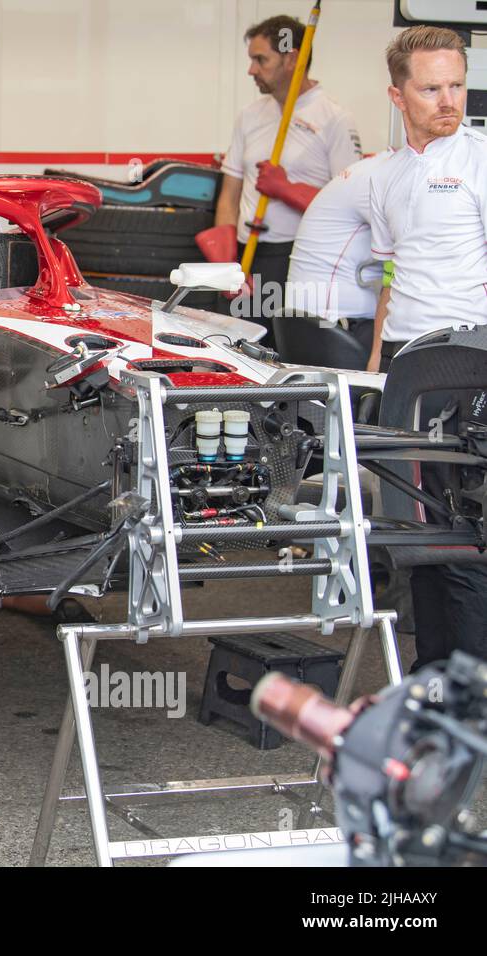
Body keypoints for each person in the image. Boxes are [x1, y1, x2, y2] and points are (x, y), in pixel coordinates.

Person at [365, 25, 487, 670]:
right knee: (414, 531)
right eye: (431, 87)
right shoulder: (382, 176)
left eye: (457, 85)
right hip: (407, 365)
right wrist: (378, 365)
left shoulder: (480, 161)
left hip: (468, 360)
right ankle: (435, 678)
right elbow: (392, 274)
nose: (449, 100)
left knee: (461, 536)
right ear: (397, 95)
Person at [197, 14, 362, 342]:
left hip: (298, 259)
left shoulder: (335, 120)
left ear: (291, 59)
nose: (251, 70)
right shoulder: (249, 116)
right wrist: (229, 264)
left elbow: (350, 209)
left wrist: (286, 190)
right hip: (247, 256)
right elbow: (230, 194)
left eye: (261, 59)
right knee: (237, 349)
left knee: (290, 353)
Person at [279, 149, 393, 355]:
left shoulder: (376, 168)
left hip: (313, 322)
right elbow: (414, 256)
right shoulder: (381, 178)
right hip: (335, 326)